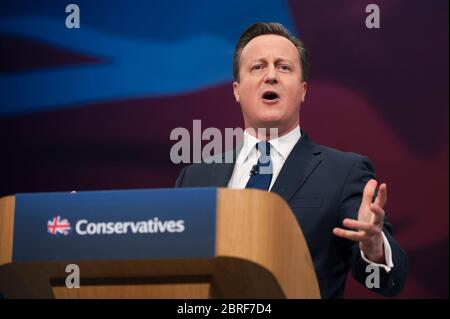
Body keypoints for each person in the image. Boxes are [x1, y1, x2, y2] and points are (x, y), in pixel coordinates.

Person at [175, 22, 407, 298]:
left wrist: (374, 247)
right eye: (257, 67)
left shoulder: (343, 173)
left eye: (283, 67)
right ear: (236, 90)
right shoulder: (195, 177)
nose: (271, 76)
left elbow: (384, 281)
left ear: (303, 90)